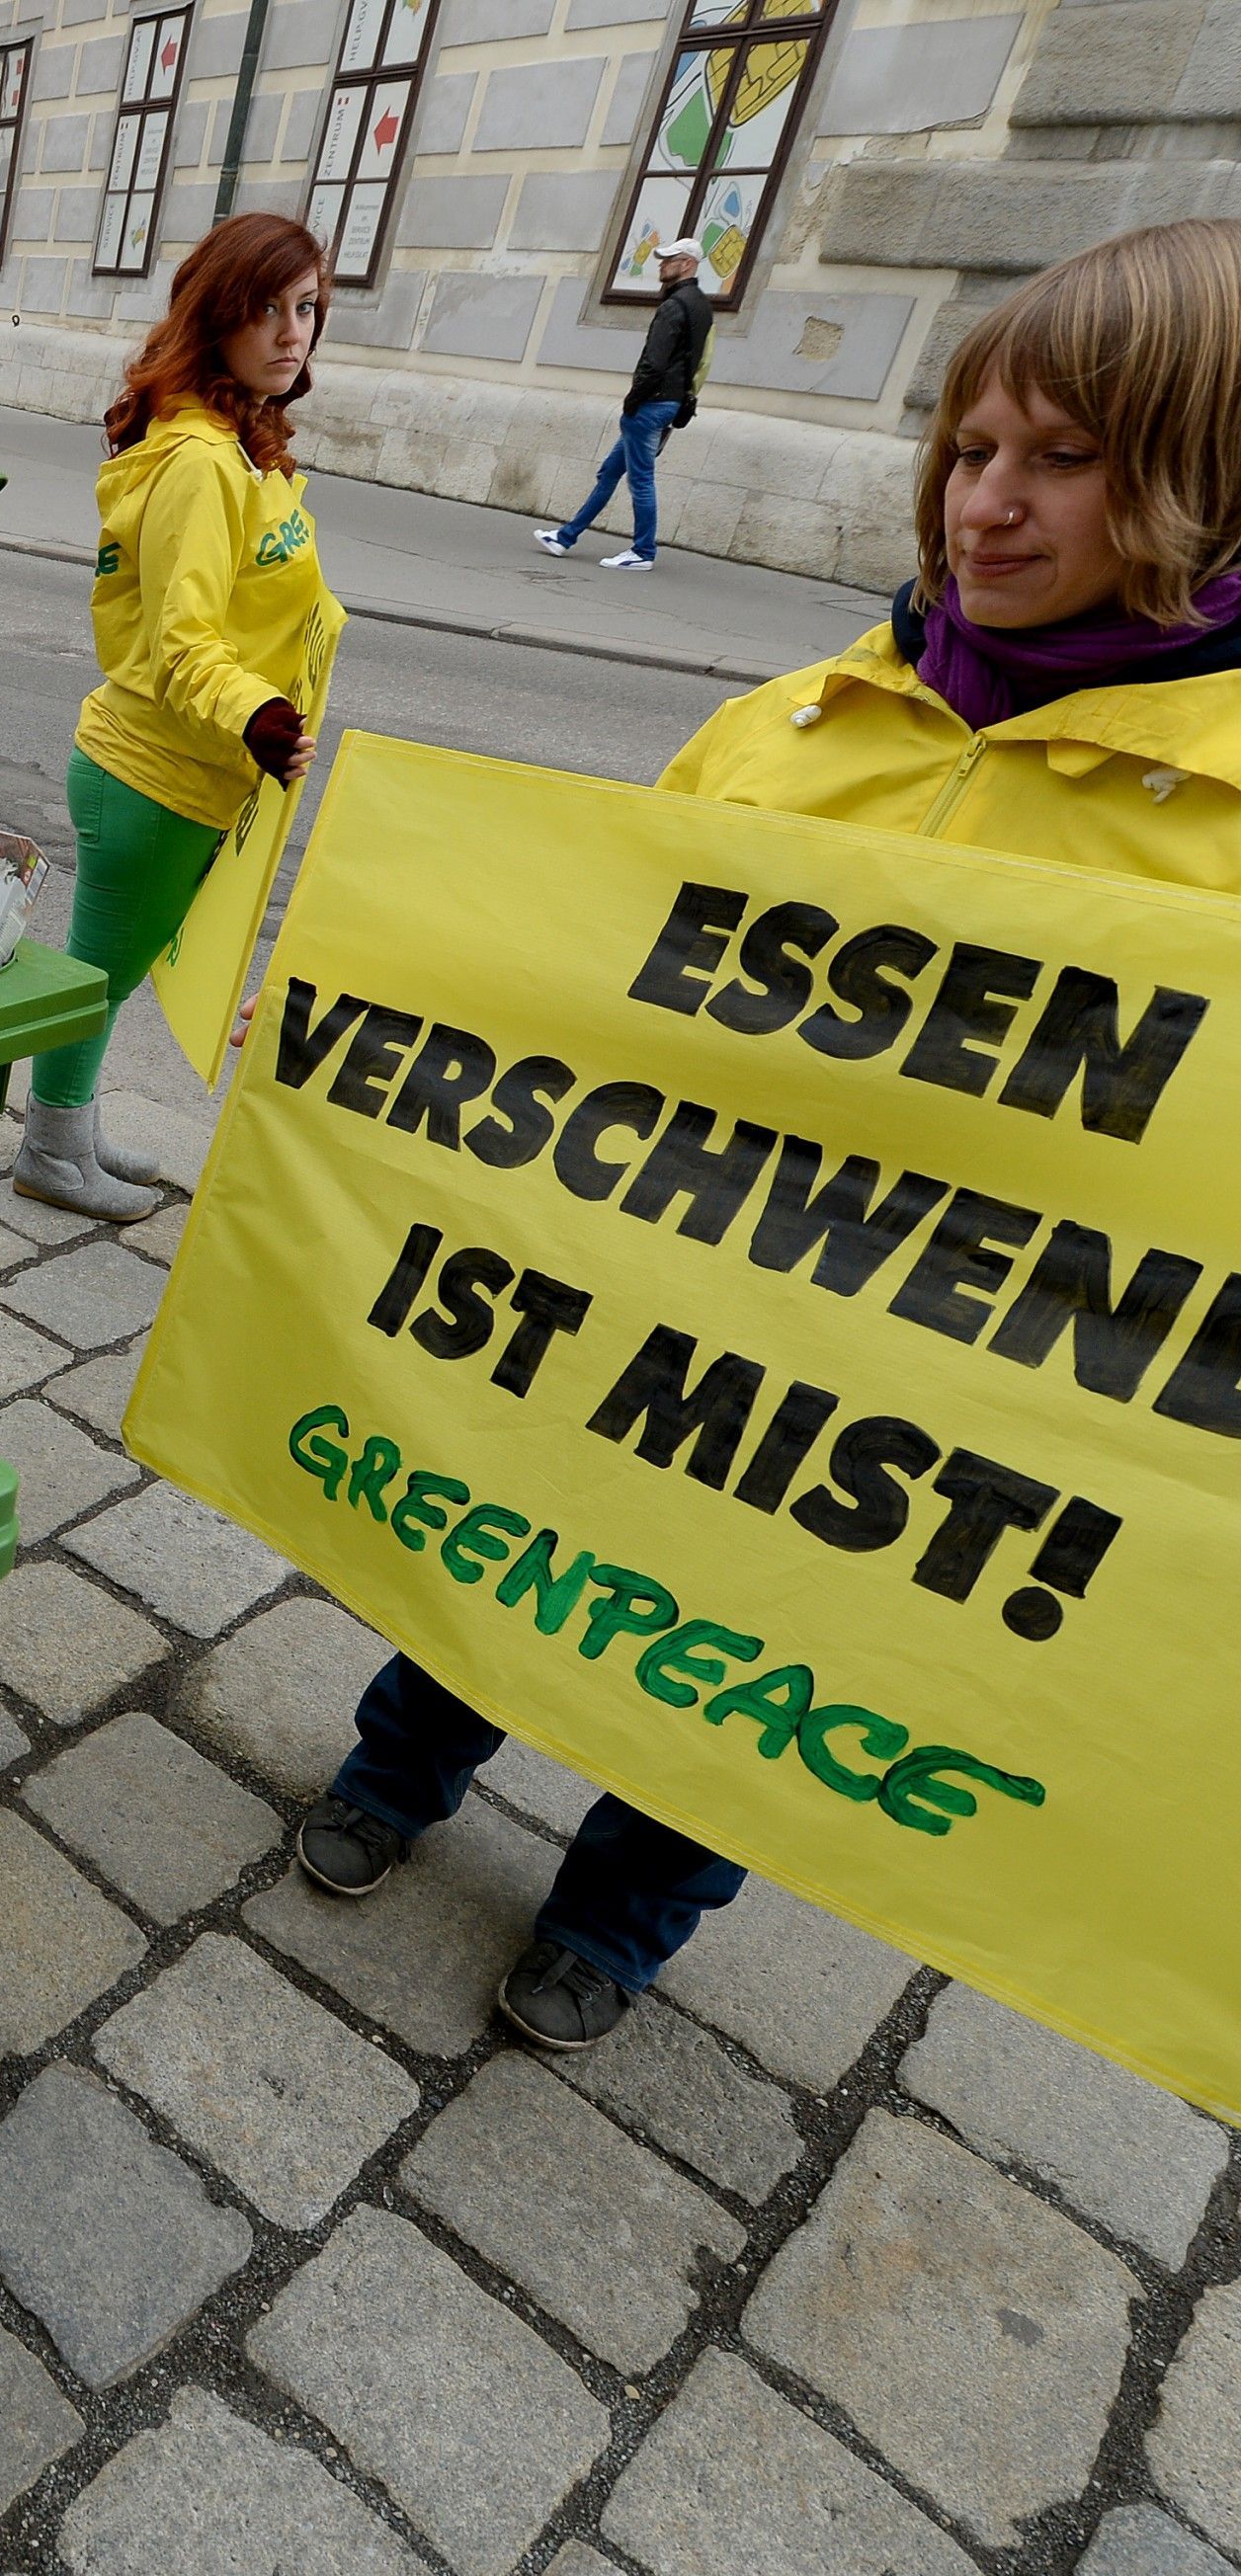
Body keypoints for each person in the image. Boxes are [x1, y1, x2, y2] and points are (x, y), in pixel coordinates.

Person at [300, 217, 1241, 2052]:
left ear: (1202, 475)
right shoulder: (796, 724)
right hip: (642, 1296)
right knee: (510, 1525)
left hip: (931, 1396)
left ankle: (623, 1911)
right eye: (972, 449)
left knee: (779, 1650)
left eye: (1064, 458)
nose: (989, 504)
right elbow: (578, 970)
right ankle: (398, 1767)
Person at [17, 211, 332, 1222]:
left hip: (179, 769)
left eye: (308, 310)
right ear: (219, 316)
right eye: (269, 309)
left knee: (110, 966)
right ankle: (51, 1148)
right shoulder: (199, 464)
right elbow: (182, 641)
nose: (293, 333)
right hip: (154, 772)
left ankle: (67, 1126)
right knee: (99, 975)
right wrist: (262, 722)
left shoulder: (234, 445)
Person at [536, 236, 711, 574]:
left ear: (687, 263)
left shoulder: (674, 306)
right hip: (670, 401)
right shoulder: (701, 304)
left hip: (651, 404)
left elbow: (654, 361)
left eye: (670, 259)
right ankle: (565, 536)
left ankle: (643, 551)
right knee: (610, 472)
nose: (662, 264)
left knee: (641, 479)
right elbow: (701, 359)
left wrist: (633, 399)